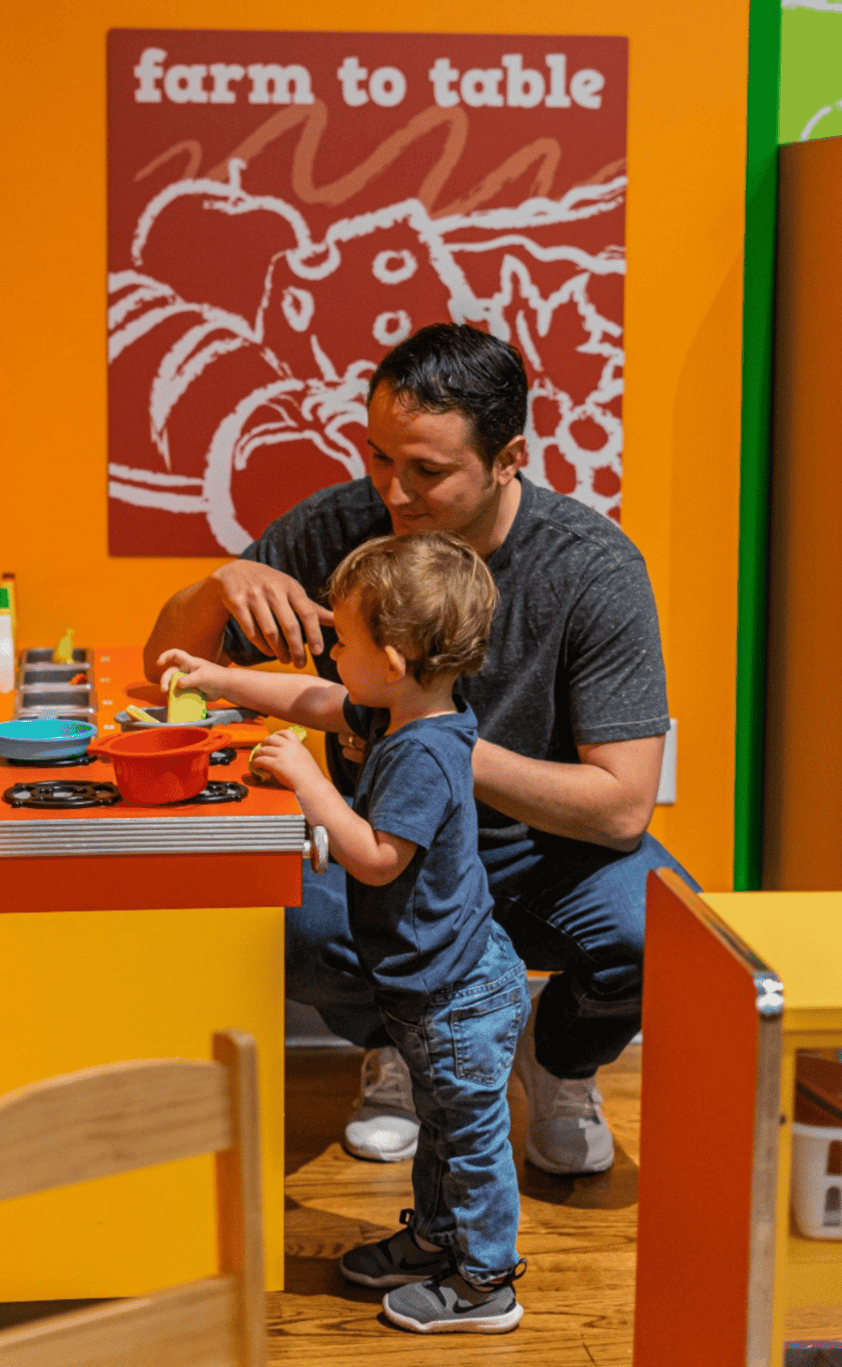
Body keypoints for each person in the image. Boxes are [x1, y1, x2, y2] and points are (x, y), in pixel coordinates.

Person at [145, 321, 699, 1176]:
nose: (393, 493)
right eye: (378, 457)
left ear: (509, 457)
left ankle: (558, 1063)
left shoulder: (593, 569)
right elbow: (173, 671)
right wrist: (215, 585)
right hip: (383, 855)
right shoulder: (343, 530)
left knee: (665, 931)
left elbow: (622, 806)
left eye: (428, 471)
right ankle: (399, 1046)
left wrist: (433, 740)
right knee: (264, 911)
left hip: (540, 861)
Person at [157, 531, 531, 1333]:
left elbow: (374, 858)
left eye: (344, 641)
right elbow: (313, 702)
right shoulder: (409, 708)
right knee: (441, 1128)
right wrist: (219, 676)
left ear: (392, 662)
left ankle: (485, 1284)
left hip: (457, 996)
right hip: (442, 982)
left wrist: (308, 782)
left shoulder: (424, 753)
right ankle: (440, 1241)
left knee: (469, 1140)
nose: (330, 652)